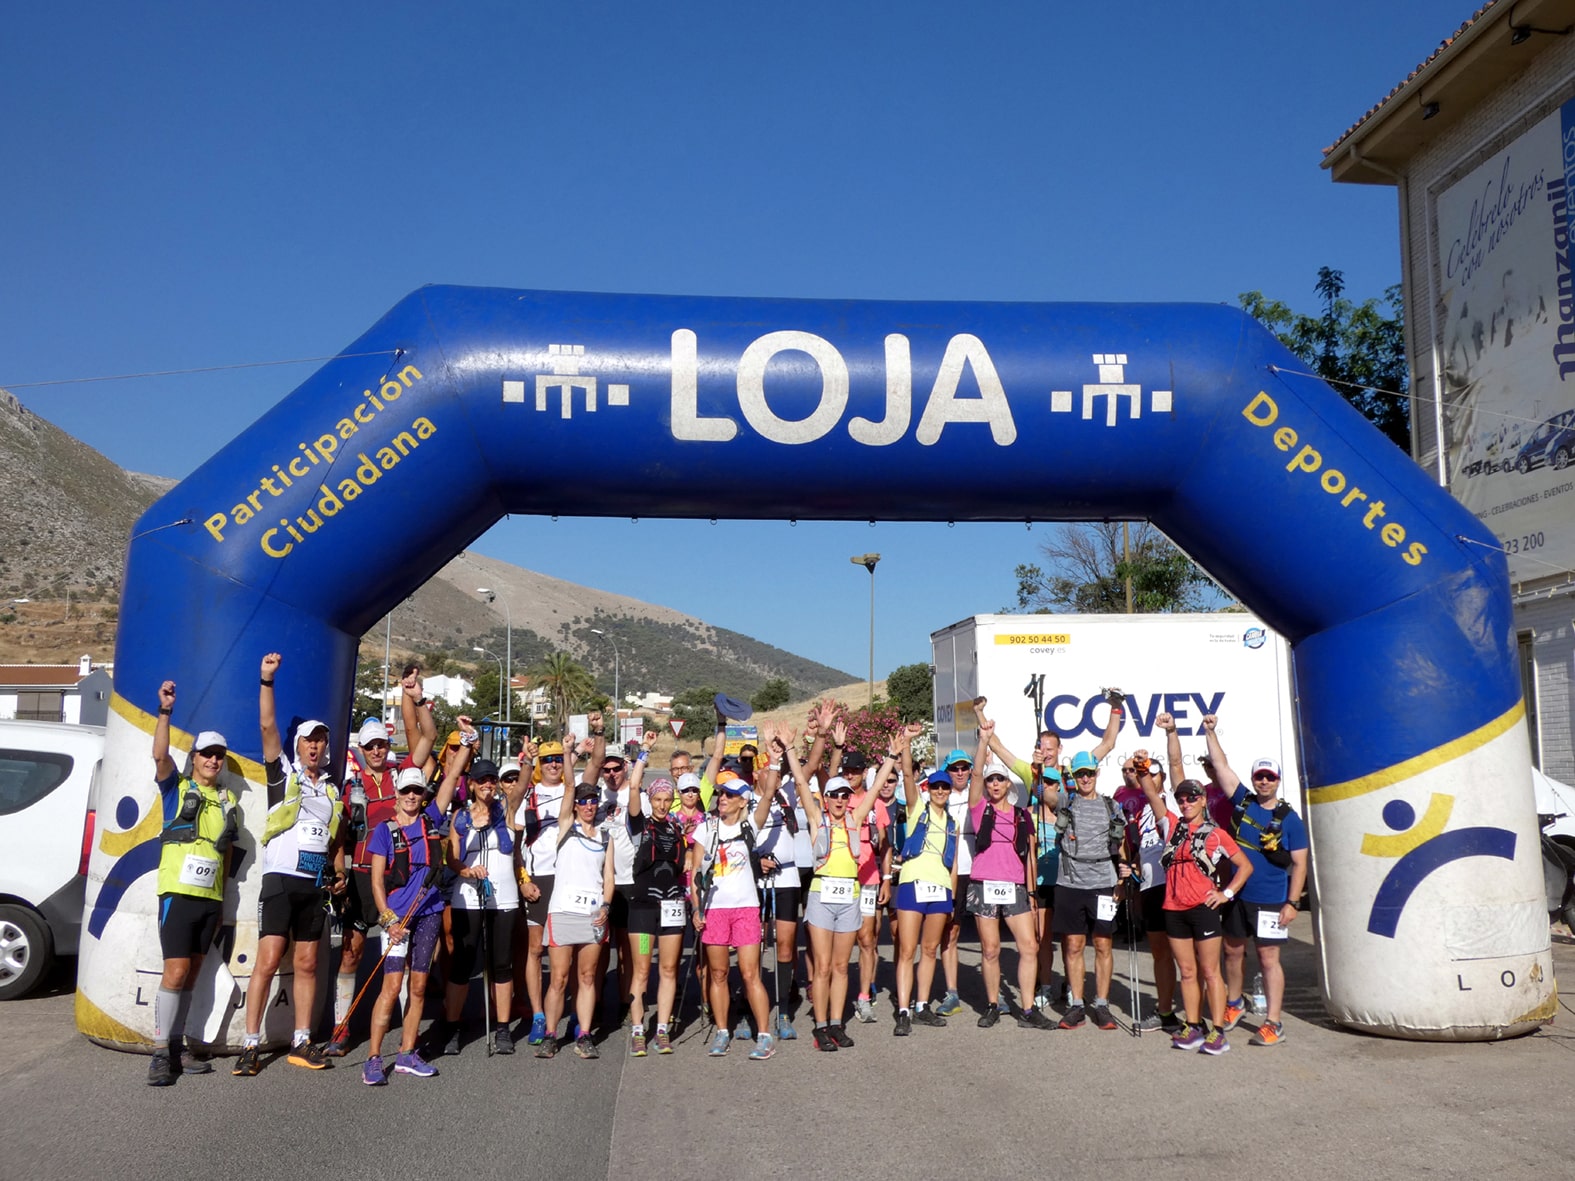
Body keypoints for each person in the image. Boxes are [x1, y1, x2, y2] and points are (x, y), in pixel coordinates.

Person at [235, 652, 346, 1076]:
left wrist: (336, 872)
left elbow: (334, 838)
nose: (315, 745)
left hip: (313, 884)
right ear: (297, 745)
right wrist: (266, 680)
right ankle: (250, 1045)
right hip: (280, 880)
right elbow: (266, 727)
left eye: (320, 739)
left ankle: (302, 1040)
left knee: (307, 963)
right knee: (267, 960)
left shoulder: (332, 790)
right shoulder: (283, 775)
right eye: (307, 739)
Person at [327, 670, 436, 1056]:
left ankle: (408, 1033)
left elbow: (428, 738)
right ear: (361, 748)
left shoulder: (401, 776)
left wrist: (414, 697)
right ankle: (341, 1027)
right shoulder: (349, 786)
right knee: (353, 951)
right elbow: (340, 835)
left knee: (402, 956)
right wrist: (338, 869)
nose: (376, 751)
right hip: (361, 876)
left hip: (400, 879)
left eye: (381, 745)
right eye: (370, 746)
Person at [146, 680, 241, 1085]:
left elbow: (228, 851)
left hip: (210, 898)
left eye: (219, 756)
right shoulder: (177, 787)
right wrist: (165, 712)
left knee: (196, 969)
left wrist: (221, 900)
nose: (213, 761)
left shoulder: (227, 801)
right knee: (175, 971)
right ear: (195, 757)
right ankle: (158, 1052)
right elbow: (159, 755)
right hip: (178, 894)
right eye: (207, 754)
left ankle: (178, 1048)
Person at [360, 726, 468, 1084]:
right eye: (405, 789)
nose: (410, 795)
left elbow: (452, 775)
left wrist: (465, 743)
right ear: (397, 793)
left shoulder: (430, 820)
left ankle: (406, 1053)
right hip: (397, 919)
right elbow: (377, 882)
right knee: (392, 987)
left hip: (429, 913)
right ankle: (374, 1057)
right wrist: (388, 920)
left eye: (416, 791)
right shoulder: (384, 831)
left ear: (422, 795)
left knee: (419, 986)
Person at [1195, 715, 1309, 1047]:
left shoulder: (1290, 820)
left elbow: (1300, 863)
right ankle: (1234, 1003)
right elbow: (1220, 764)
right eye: (1259, 776)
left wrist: (1293, 902)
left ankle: (1274, 1022)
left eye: (1269, 777)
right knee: (1231, 951)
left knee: (1268, 958)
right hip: (1237, 895)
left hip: (1272, 899)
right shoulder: (1243, 802)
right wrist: (1210, 731)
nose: (1263, 782)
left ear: (1277, 780)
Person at [1131, 766, 1252, 1056]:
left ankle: (1218, 1032)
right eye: (1181, 799)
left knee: (1210, 972)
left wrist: (1225, 894)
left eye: (1191, 798)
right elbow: (1150, 793)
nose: (1185, 803)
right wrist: (1143, 770)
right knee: (1187, 971)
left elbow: (1245, 866)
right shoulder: (1171, 825)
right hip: (1173, 908)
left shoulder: (1216, 834)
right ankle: (1193, 1026)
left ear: (1202, 800)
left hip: (1203, 909)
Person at [785, 731, 883, 1050]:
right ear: (825, 799)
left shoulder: (854, 818)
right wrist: (789, 747)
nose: (840, 800)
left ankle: (838, 1023)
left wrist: (894, 756)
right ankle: (822, 1024)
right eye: (834, 796)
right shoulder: (818, 819)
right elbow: (802, 783)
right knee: (824, 966)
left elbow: (877, 789)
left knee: (842, 966)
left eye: (844, 795)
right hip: (821, 897)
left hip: (849, 897)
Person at [967, 714, 1054, 1029]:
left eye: (999, 779)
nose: (993, 784)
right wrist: (983, 740)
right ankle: (992, 1005)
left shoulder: (1021, 814)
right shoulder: (979, 809)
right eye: (991, 780)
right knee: (990, 949)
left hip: (1015, 885)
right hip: (984, 884)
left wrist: (1032, 895)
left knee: (1029, 947)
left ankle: (1029, 1010)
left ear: (1008, 784)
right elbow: (975, 774)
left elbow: (1030, 854)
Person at [435, 755, 525, 1056]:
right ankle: (452, 1026)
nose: (487, 785)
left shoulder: (507, 809)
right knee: (462, 963)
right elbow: (453, 857)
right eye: (481, 780)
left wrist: (529, 762)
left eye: (491, 779)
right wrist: (465, 871)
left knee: (501, 963)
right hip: (468, 896)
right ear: (471, 784)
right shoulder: (460, 816)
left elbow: (522, 786)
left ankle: (502, 1028)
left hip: (504, 896)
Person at [689, 771, 778, 1060]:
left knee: (750, 973)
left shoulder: (751, 823)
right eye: (720, 794)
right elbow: (695, 874)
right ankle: (722, 1031)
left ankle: (764, 1035)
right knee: (718, 974)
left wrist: (775, 762)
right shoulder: (707, 828)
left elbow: (766, 797)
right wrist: (696, 908)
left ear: (742, 801)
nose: (722, 798)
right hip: (715, 909)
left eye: (729, 794)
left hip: (746, 908)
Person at [539, 732, 614, 1061]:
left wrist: (607, 906)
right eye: (583, 801)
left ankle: (583, 1034)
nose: (587, 805)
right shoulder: (566, 827)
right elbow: (570, 788)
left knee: (586, 976)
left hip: (593, 915)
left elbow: (608, 876)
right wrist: (568, 754)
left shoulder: (605, 836)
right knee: (559, 978)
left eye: (592, 800)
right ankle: (551, 1034)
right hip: (562, 912)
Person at [1051, 749, 1126, 1032]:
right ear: (1073, 777)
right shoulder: (1064, 801)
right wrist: (1041, 763)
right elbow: (1044, 792)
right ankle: (1076, 1005)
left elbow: (1121, 844)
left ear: (1097, 774)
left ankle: (1102, 1004)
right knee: (1073, 945)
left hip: (1103, 881)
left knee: (1104, 943)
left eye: (1089, 773)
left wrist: (1122, 877)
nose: (1085, 778)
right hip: (1070, 881)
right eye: (1079, 774)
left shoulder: (1111, 805)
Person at [891, 732, 960, 1037]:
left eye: (945, 786)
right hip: (912, 884)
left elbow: (954, 865)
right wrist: (905, 745)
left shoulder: (952, 824)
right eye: (936, 786)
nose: (941, 790)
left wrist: (953, 898)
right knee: (907, 949)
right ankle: (903, 1010)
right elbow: (907, 774)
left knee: (930, 949)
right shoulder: (917, 809)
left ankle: (922, 1005)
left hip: (940, 887)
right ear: (928, 789)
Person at [1117, 738, 1182, 1034]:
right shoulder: (1143, 811)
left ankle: (1197, 1015)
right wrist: (1131, 869)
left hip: (1175, 887)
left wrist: (1170, 733)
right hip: (1150, 887)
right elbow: (1146, 848)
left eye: (1154, 773)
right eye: (1147, 773)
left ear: (1162, 778)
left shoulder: (1175, 802)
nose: (1149, 778)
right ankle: (1166, 1011)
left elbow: (1177, 763)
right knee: (1159, 954)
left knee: (1187, 957)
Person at [625, 772, 689, 1054]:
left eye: (667, 800)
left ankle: (661, 1029)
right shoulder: (640, 826)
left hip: (672, 908)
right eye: (657, 800)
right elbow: (634, 785)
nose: (662, 805)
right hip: (643, 909)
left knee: (668, 968)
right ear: (649, 800)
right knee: (640, 970)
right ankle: (639, 1029)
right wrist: (644, 754)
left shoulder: (677, 830)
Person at [514, 736, 569, 1044]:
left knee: (566, 950)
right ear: (539, 764)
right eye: (547, 760)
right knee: (536, 950)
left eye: (558, 758)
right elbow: (517, 848)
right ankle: (538, 1014)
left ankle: (568, 1011)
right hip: (538, 878)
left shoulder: (571, 791)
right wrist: (523, 880)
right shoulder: (529, 796)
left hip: (566, 879)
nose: (553, 764)